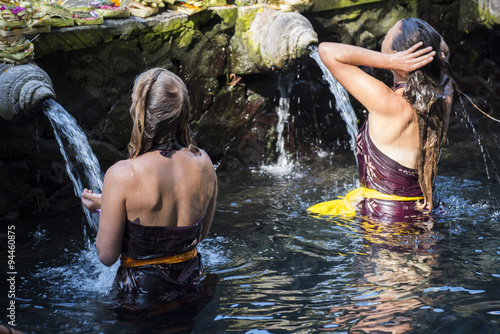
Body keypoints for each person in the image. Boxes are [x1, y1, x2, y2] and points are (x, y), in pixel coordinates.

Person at [81, 68, 218, 296]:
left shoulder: (122, 174)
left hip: (141, 300)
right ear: (182, 112)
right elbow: (199, 235)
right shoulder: (204, 162)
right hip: (193, 291)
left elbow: (106, 257)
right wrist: (107, 202)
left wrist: (107, 209)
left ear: (141, 113)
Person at [308, 18, 453, 219]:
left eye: (386, 36)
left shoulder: (387, 102)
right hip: (431, 211)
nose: (383, 38)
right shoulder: (443, 95)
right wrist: (430, 48)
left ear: (397, 55)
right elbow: (443, 46)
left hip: (386, 220)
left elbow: (327, 51)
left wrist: (388, 62)